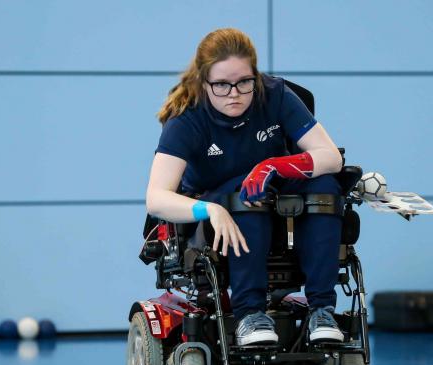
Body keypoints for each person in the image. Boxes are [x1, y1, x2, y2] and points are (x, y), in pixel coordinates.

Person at [146, 28, 344, 346]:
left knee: (324, 183)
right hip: (217, 207)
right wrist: (210, 209)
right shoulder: (186, 119)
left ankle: (322, 310)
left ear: (255, 75)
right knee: (245, 194)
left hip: (273, 191)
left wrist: (271, 166)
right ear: (203, 81)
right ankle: (249, 314)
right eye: (222, 85)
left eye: (244, 82)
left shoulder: (274, 94)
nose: (234, 93)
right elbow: (156, 198)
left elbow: (330, 157)